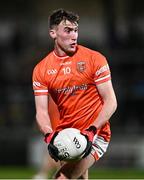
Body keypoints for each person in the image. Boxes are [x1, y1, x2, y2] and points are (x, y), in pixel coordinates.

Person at [32, 8, 117, 179]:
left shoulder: (94, 59)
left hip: (95, 134)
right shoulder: (41, 69)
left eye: (76, 30)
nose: (74, 35)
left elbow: (111, 101)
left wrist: (92, 130)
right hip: (66, 135)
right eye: (68, 30)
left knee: (62, 178)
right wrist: (49, 135)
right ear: (53, 33)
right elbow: (41, 112)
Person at [33, 96, 60, 179]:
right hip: (55, 130)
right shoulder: (52, 98)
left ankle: (43, 174)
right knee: (53, 154)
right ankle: (45, 174)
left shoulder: (54, 98)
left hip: (58, 129)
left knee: (54, 155)